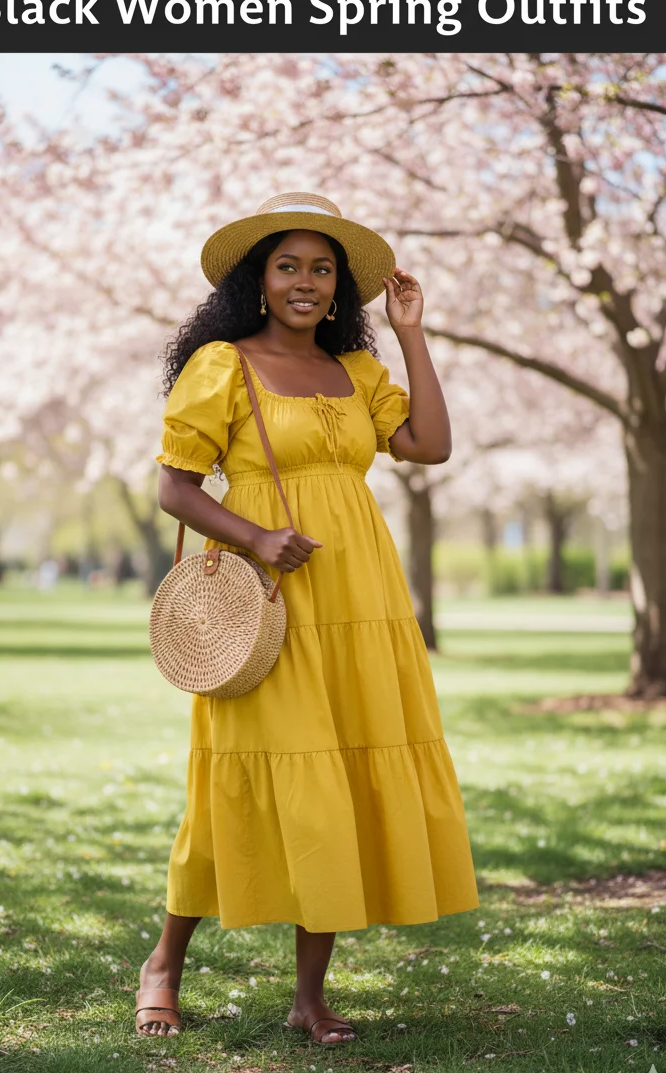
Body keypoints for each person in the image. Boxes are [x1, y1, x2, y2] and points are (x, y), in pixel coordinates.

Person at [136, 193, 479, 1045]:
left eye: (321, 269)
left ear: (338, 288)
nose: (304, 282)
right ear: (258, 279)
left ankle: (309, 997)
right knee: (239, 777)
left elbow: (429, 445)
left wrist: (409, 332)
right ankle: (164, 962)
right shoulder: (222, 364)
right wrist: (257, 535)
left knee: (338, 785)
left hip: (360, 596)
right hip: (269, 597)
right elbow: (175, 487)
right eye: (287, 265)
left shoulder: (356, 372)